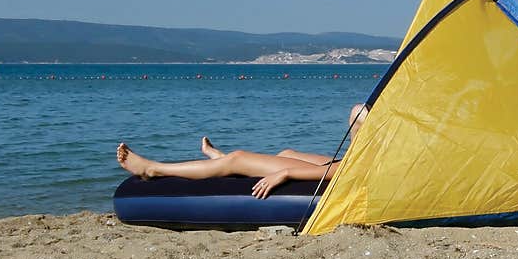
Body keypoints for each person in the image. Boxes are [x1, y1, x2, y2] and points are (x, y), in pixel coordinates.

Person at [117, 104, 368, 199]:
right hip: (354, 164)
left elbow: (347, 171)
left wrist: (286, 174)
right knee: (286, 152)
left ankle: (153, 169)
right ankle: (222, 160)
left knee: (239, 158)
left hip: (354, 173)